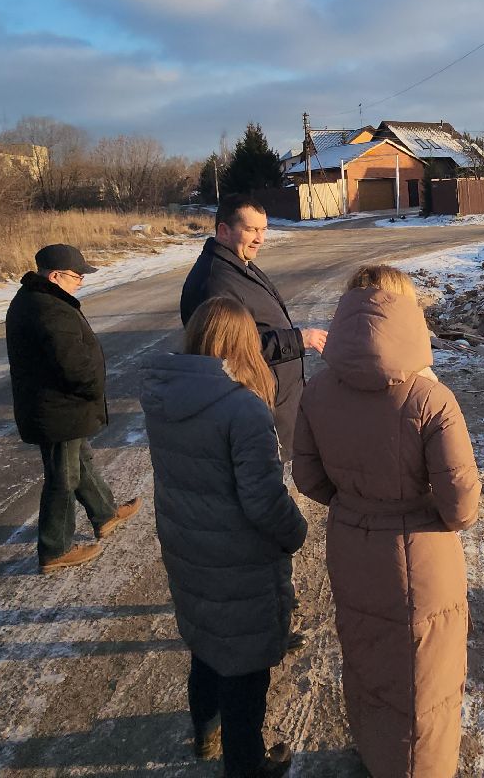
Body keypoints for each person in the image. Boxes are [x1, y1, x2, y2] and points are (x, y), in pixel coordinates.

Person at [294, 265, 480, 778]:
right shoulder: (430, 400)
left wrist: (357, 505)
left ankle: (377, 755)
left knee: (367, 658)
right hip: (421, 557)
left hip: (352, 547)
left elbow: (307, 476)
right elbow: (461, 506)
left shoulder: (319, 391)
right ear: (407, 315)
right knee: (425, 681)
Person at [143, 296, 307, 778]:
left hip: (189, 548)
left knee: (207, 644)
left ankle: (204, 730)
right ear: (244, 344)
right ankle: (246, 766)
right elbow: (263, 502)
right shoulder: (242, 410)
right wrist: (295, 532)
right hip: (238, 561)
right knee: (245, 673)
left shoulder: (164, 395)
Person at [4, 243, 139, 573]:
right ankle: (55, 549)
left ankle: (105, 513)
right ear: (55, 276)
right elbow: (72, 365)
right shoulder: (48, 309)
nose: (81, 282)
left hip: (58, 407)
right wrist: (94, 388)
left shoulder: (38, 300)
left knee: (80, 461)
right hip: (58, 409)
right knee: (63, 478)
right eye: (77, 276)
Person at [179, 194, 327, 453]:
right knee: (262, 485)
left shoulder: (239, 265)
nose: (260, 238)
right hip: (254, 410)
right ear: (224, 230)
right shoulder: (216, 282)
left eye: (264, 229)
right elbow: (226, 352)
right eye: (251, 230)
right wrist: (297, 340)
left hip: (272, 403)